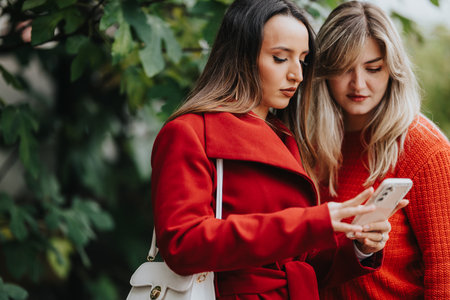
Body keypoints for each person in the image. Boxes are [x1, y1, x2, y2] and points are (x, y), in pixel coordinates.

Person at [151, 0, 395, 299]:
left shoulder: (288, 138)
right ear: (241, 56)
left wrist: (359, 247)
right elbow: (183, 244)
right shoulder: (190, 132)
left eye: (303, 60)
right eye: (280, 58)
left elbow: (298, 266)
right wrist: (311, 222)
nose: (297, 75)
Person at [309, 1, 450, 299]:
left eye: (373, 68)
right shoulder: (309, 142)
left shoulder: (424, 148)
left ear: (393, 70)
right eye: (344, 69)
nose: (358, 84)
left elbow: (445, 275)